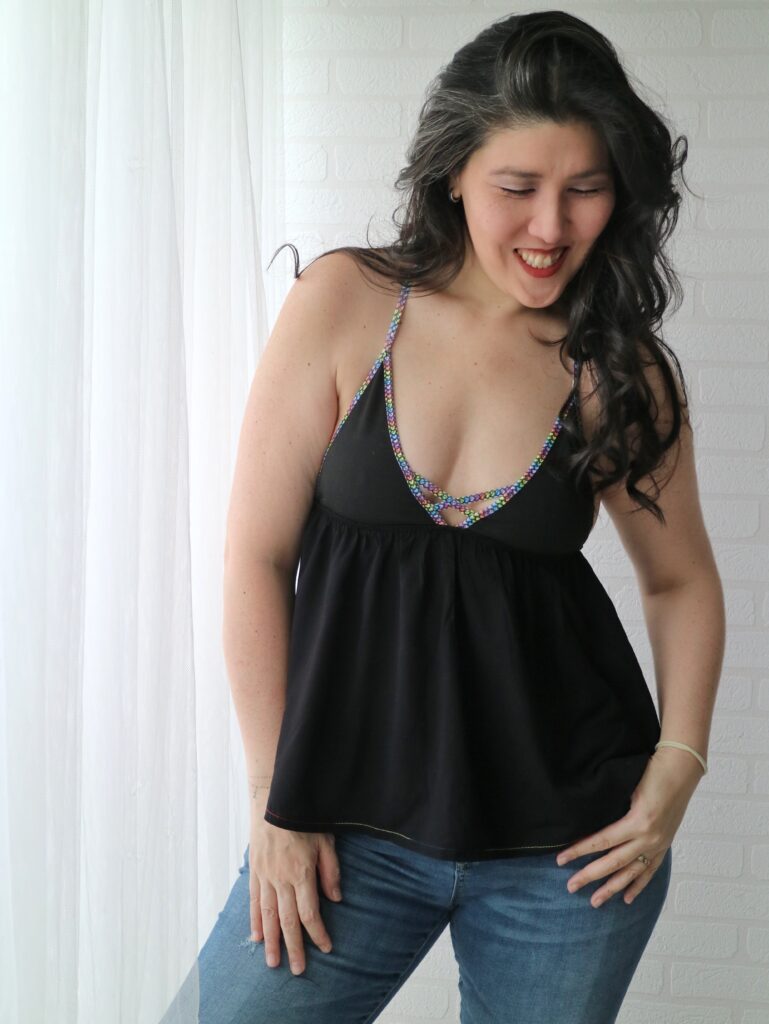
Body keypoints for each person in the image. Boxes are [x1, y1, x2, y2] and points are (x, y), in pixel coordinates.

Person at [160, 10, 725, 1024]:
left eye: (585, 187)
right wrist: (273, 798)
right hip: (339, 826)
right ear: (454, 173)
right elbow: (256, 555)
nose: (550, 227)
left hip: (569, 857)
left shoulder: (616, 368)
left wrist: (677, 768)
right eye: (517, 186)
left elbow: (680, 580)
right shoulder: (346, 302)